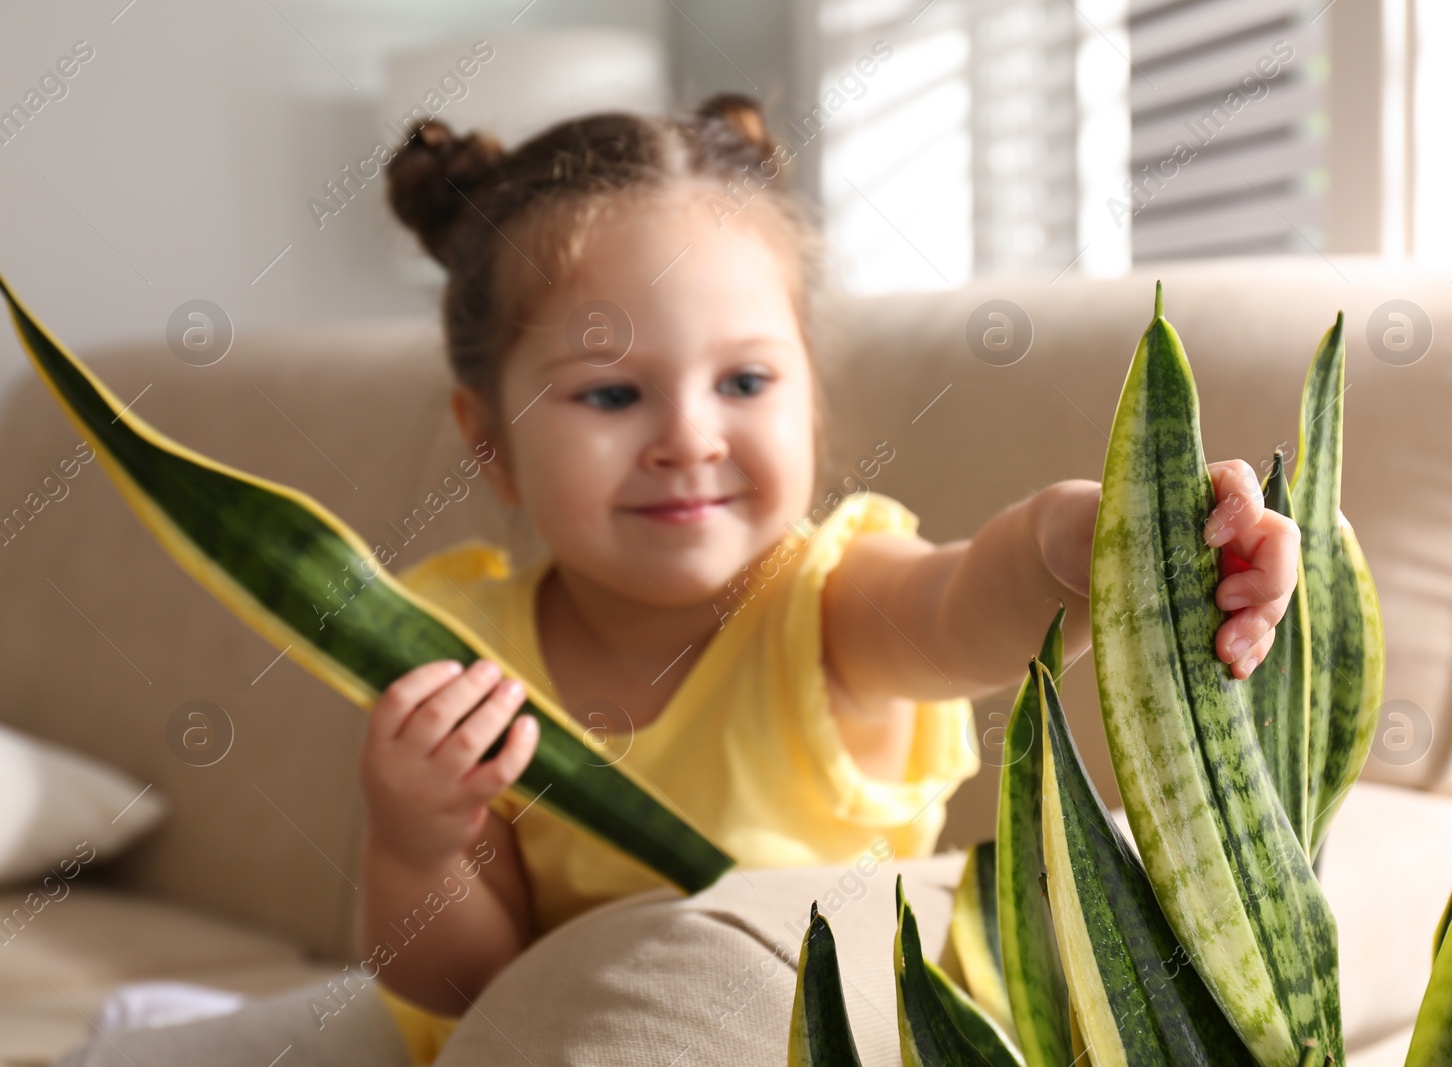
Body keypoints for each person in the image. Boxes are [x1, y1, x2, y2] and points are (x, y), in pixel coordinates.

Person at [355, 92, 1299, 1064]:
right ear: (490, 444)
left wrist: (1107, 534)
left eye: (744, 382)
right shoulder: (458, 643)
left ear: (808, 400)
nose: (688, 438)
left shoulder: (831, 601)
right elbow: (468, 985)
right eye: (610, 392)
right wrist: (419, 841)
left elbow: (971, 599)